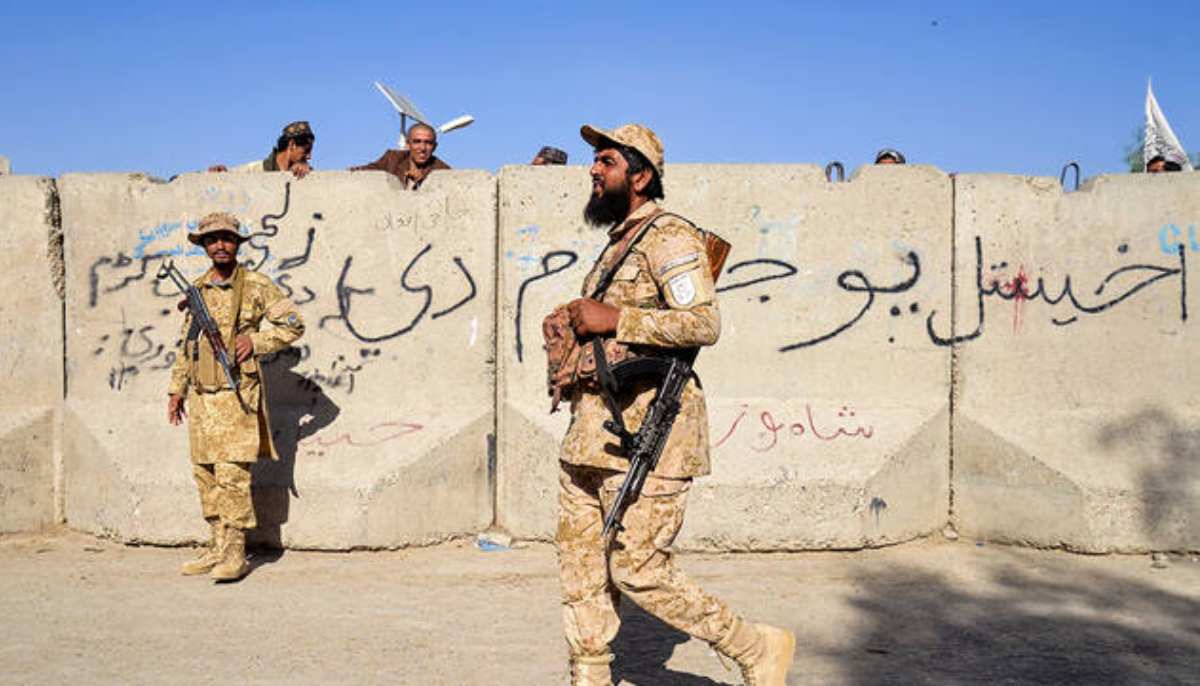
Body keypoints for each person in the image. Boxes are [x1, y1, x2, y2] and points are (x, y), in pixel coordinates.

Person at [550, 123, 795, 685]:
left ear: (640, 175)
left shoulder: (670, 237)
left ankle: (756, 648)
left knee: (638, 568)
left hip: (650, 436)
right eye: (594, 160)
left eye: (606, 161)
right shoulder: (616, 244)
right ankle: (590, 674)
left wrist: (615, 318)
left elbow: (702, 323)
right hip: (591, 432)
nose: (593, 170)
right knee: (582, 567)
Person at [166, 212, 305, 582]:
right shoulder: (198, 288)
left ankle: (235, 551)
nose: (220, 245)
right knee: (205, 474)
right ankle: (215, 545)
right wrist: (176, 390)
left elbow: (294, 324)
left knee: (231, 475)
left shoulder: (256, 285)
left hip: (235, 396)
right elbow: (187, 344)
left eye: (227, 238)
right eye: (212, 240)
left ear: (237, 243)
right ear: (205, 247)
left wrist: (255, 341)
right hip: (200, 397)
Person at [351, 122, 450, 189]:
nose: (422, 148)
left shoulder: (443, 171)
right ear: (407, 144)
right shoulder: (392, 158)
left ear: (435, 146)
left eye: (428, 143)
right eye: (417, 142)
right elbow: (370, 170)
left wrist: (423, 181)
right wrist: (354, 171)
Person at [209, 121, 315, 178]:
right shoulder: (254, 171)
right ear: (292, 145)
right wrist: (220, 173)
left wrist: (306, 175)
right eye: (306, 150)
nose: (309, 156)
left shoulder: (304, 172)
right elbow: (229, 177)